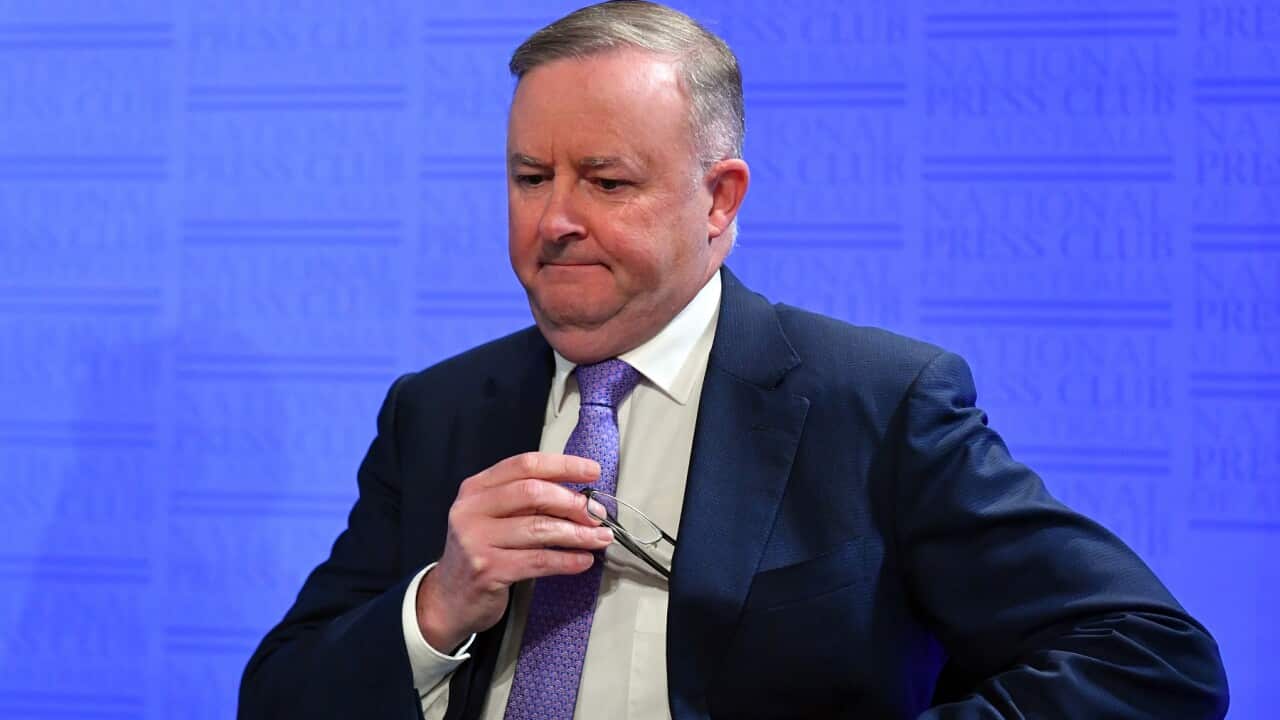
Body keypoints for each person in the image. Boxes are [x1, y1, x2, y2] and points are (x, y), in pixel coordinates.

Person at [238, 2, 1229, 718]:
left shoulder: (874, 404)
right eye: (529, 176)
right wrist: (439, 604)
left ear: (718, 200)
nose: (553, 220)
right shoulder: (440, 409)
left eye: (606, 180)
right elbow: (278, 697)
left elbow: (1151, 659)